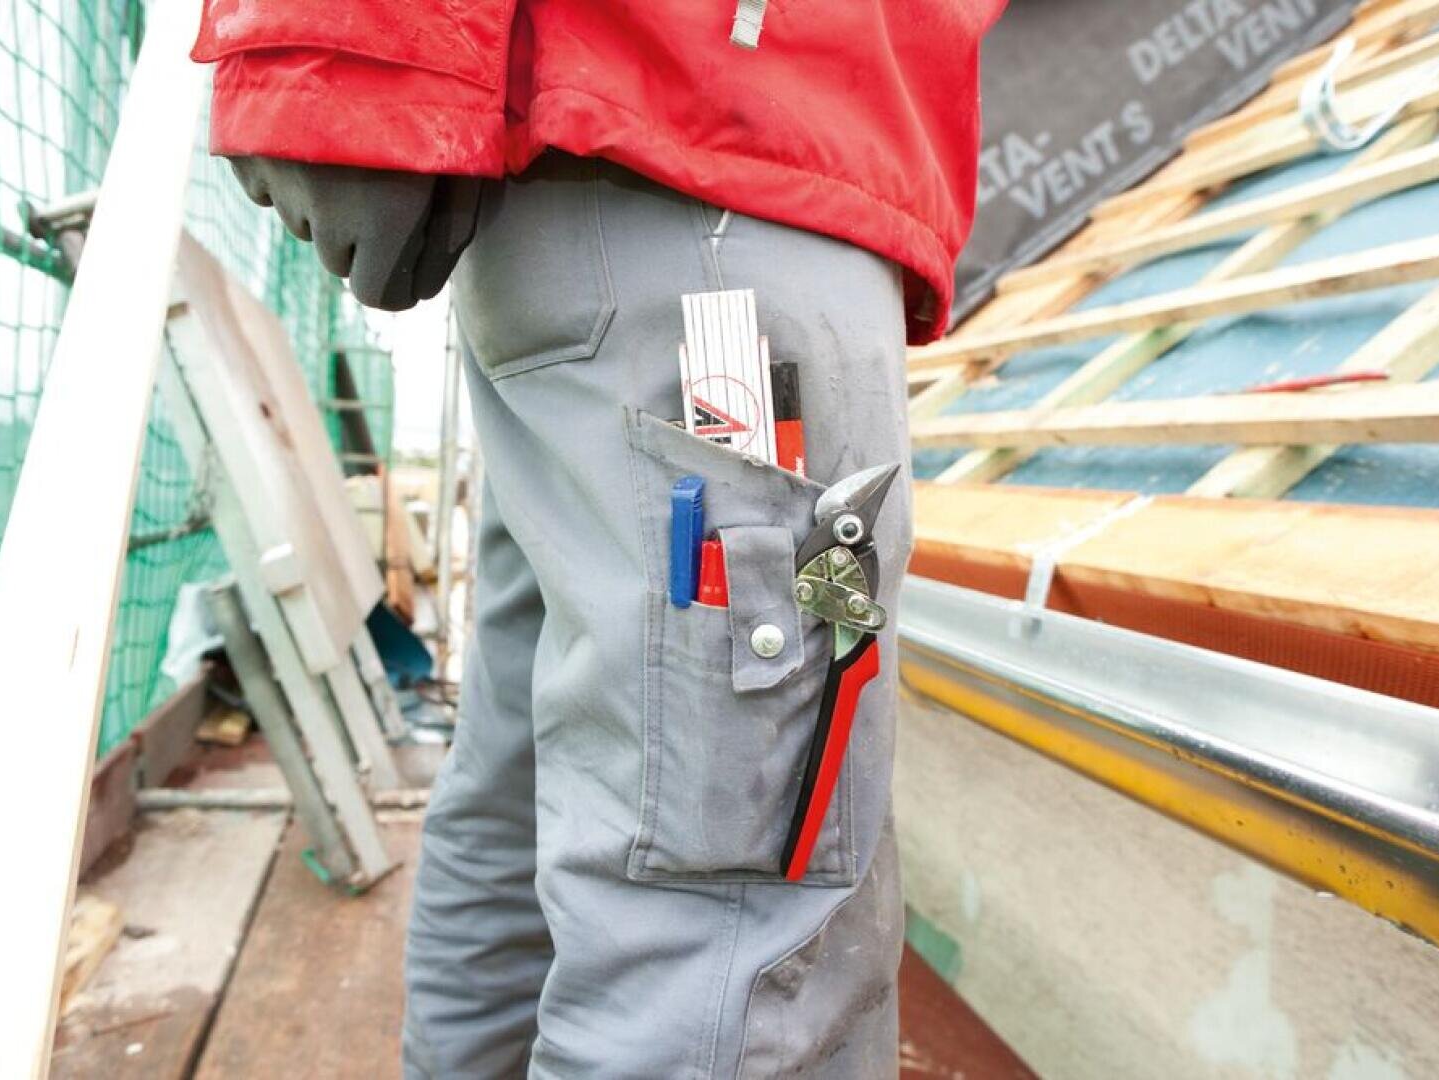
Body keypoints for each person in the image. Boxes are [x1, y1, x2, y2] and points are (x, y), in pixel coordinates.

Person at [191, 2, 1002, 1075]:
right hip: (723, 157)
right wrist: (342, 55)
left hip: (608, 179)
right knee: (735, 932)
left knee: (527, 789)